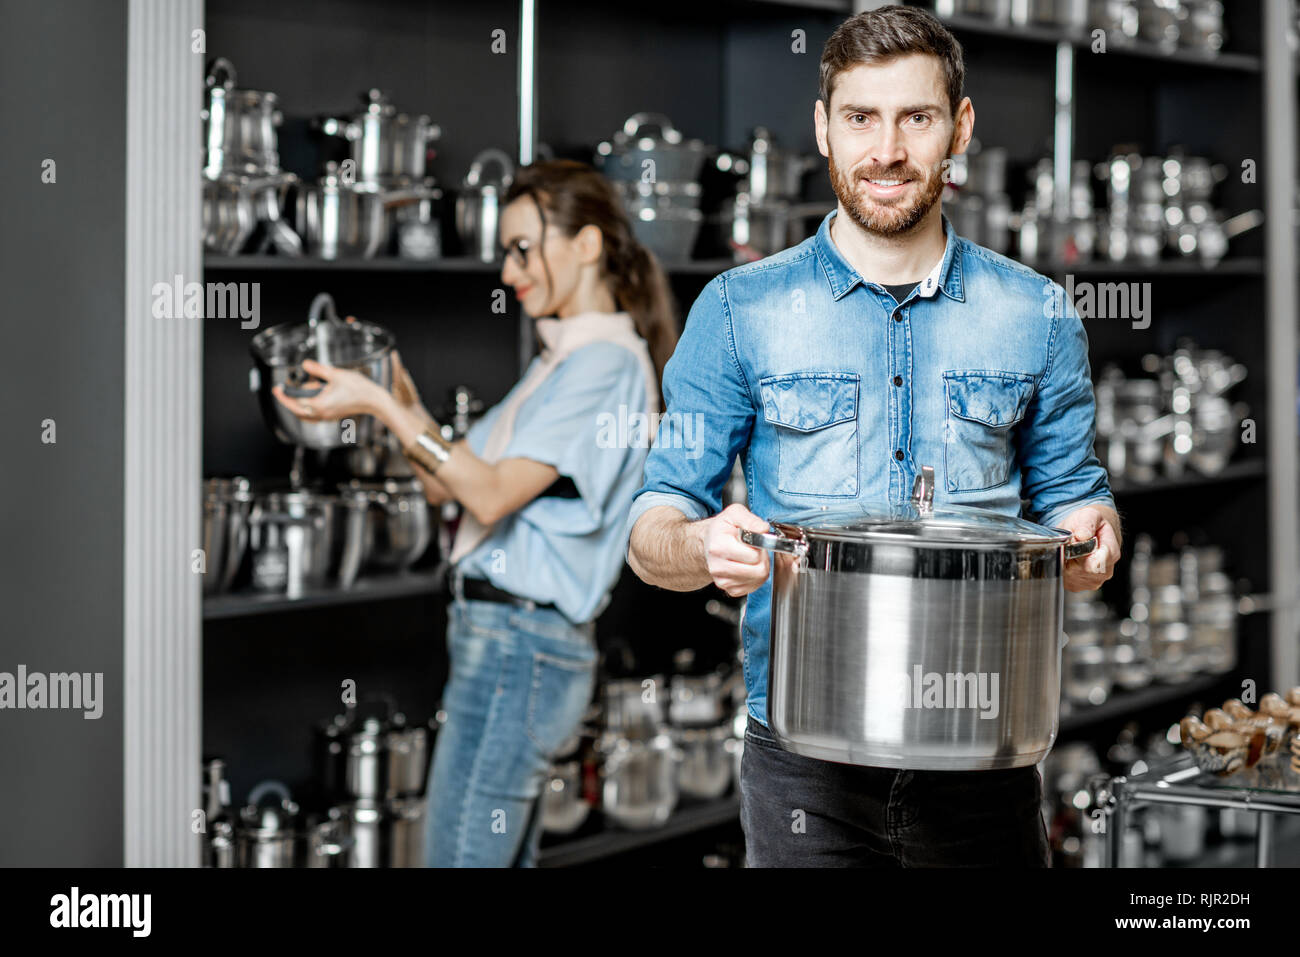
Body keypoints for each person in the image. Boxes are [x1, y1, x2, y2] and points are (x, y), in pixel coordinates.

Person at [625, 5, 1122, 867]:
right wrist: (702, 544)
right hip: (803, 774)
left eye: (916, 117)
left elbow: (1075, 501)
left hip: (986, 755)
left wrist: (1091, 539)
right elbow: (650, 531)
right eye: (861, 117)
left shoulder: (1038, 312)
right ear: (823, 127)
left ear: (959, 127)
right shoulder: (738, 312)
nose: (887, 150)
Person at [273, 159, 677, 866]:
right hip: (509, 643)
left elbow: (489, 495)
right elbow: (446, 483)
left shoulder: (604, 366)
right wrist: (398, 402)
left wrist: (383, 409)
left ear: (585, 245)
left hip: (519, 645)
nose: (508, 271)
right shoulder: (561, 361)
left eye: (524, 248)